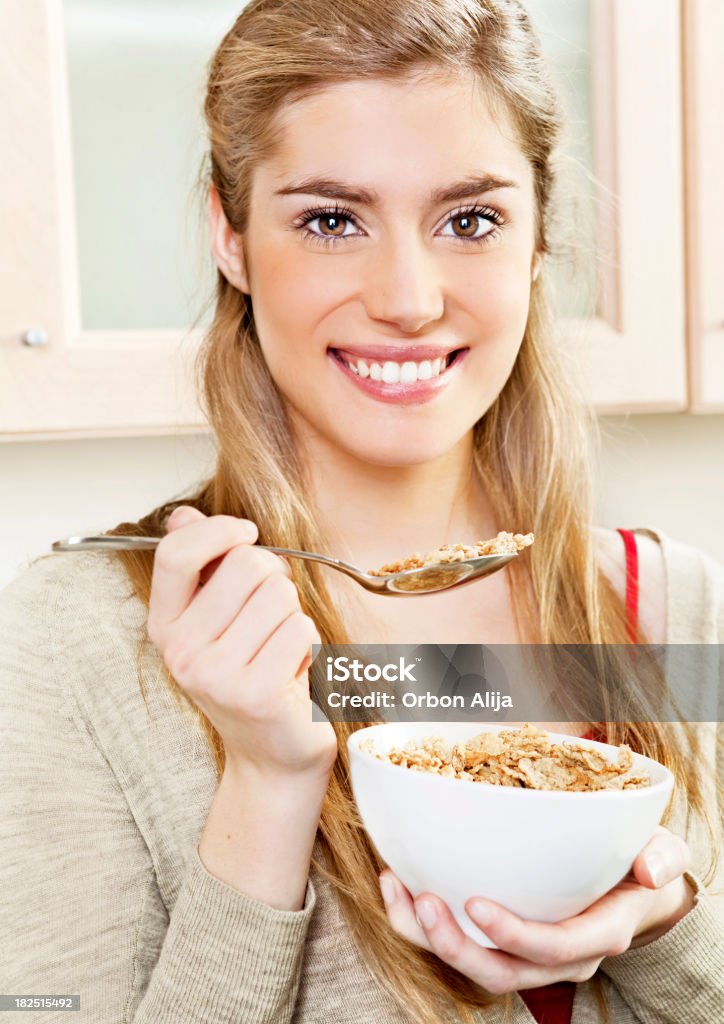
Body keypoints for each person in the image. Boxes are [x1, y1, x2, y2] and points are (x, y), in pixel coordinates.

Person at [1, 1, 722, 1022]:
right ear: (231, 236)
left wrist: (665, 923)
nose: (408, 297)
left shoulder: (679, 619)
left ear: (536, 241)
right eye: (331, 219)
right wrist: (265, 783)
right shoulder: (77, 644)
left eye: (469, 219)